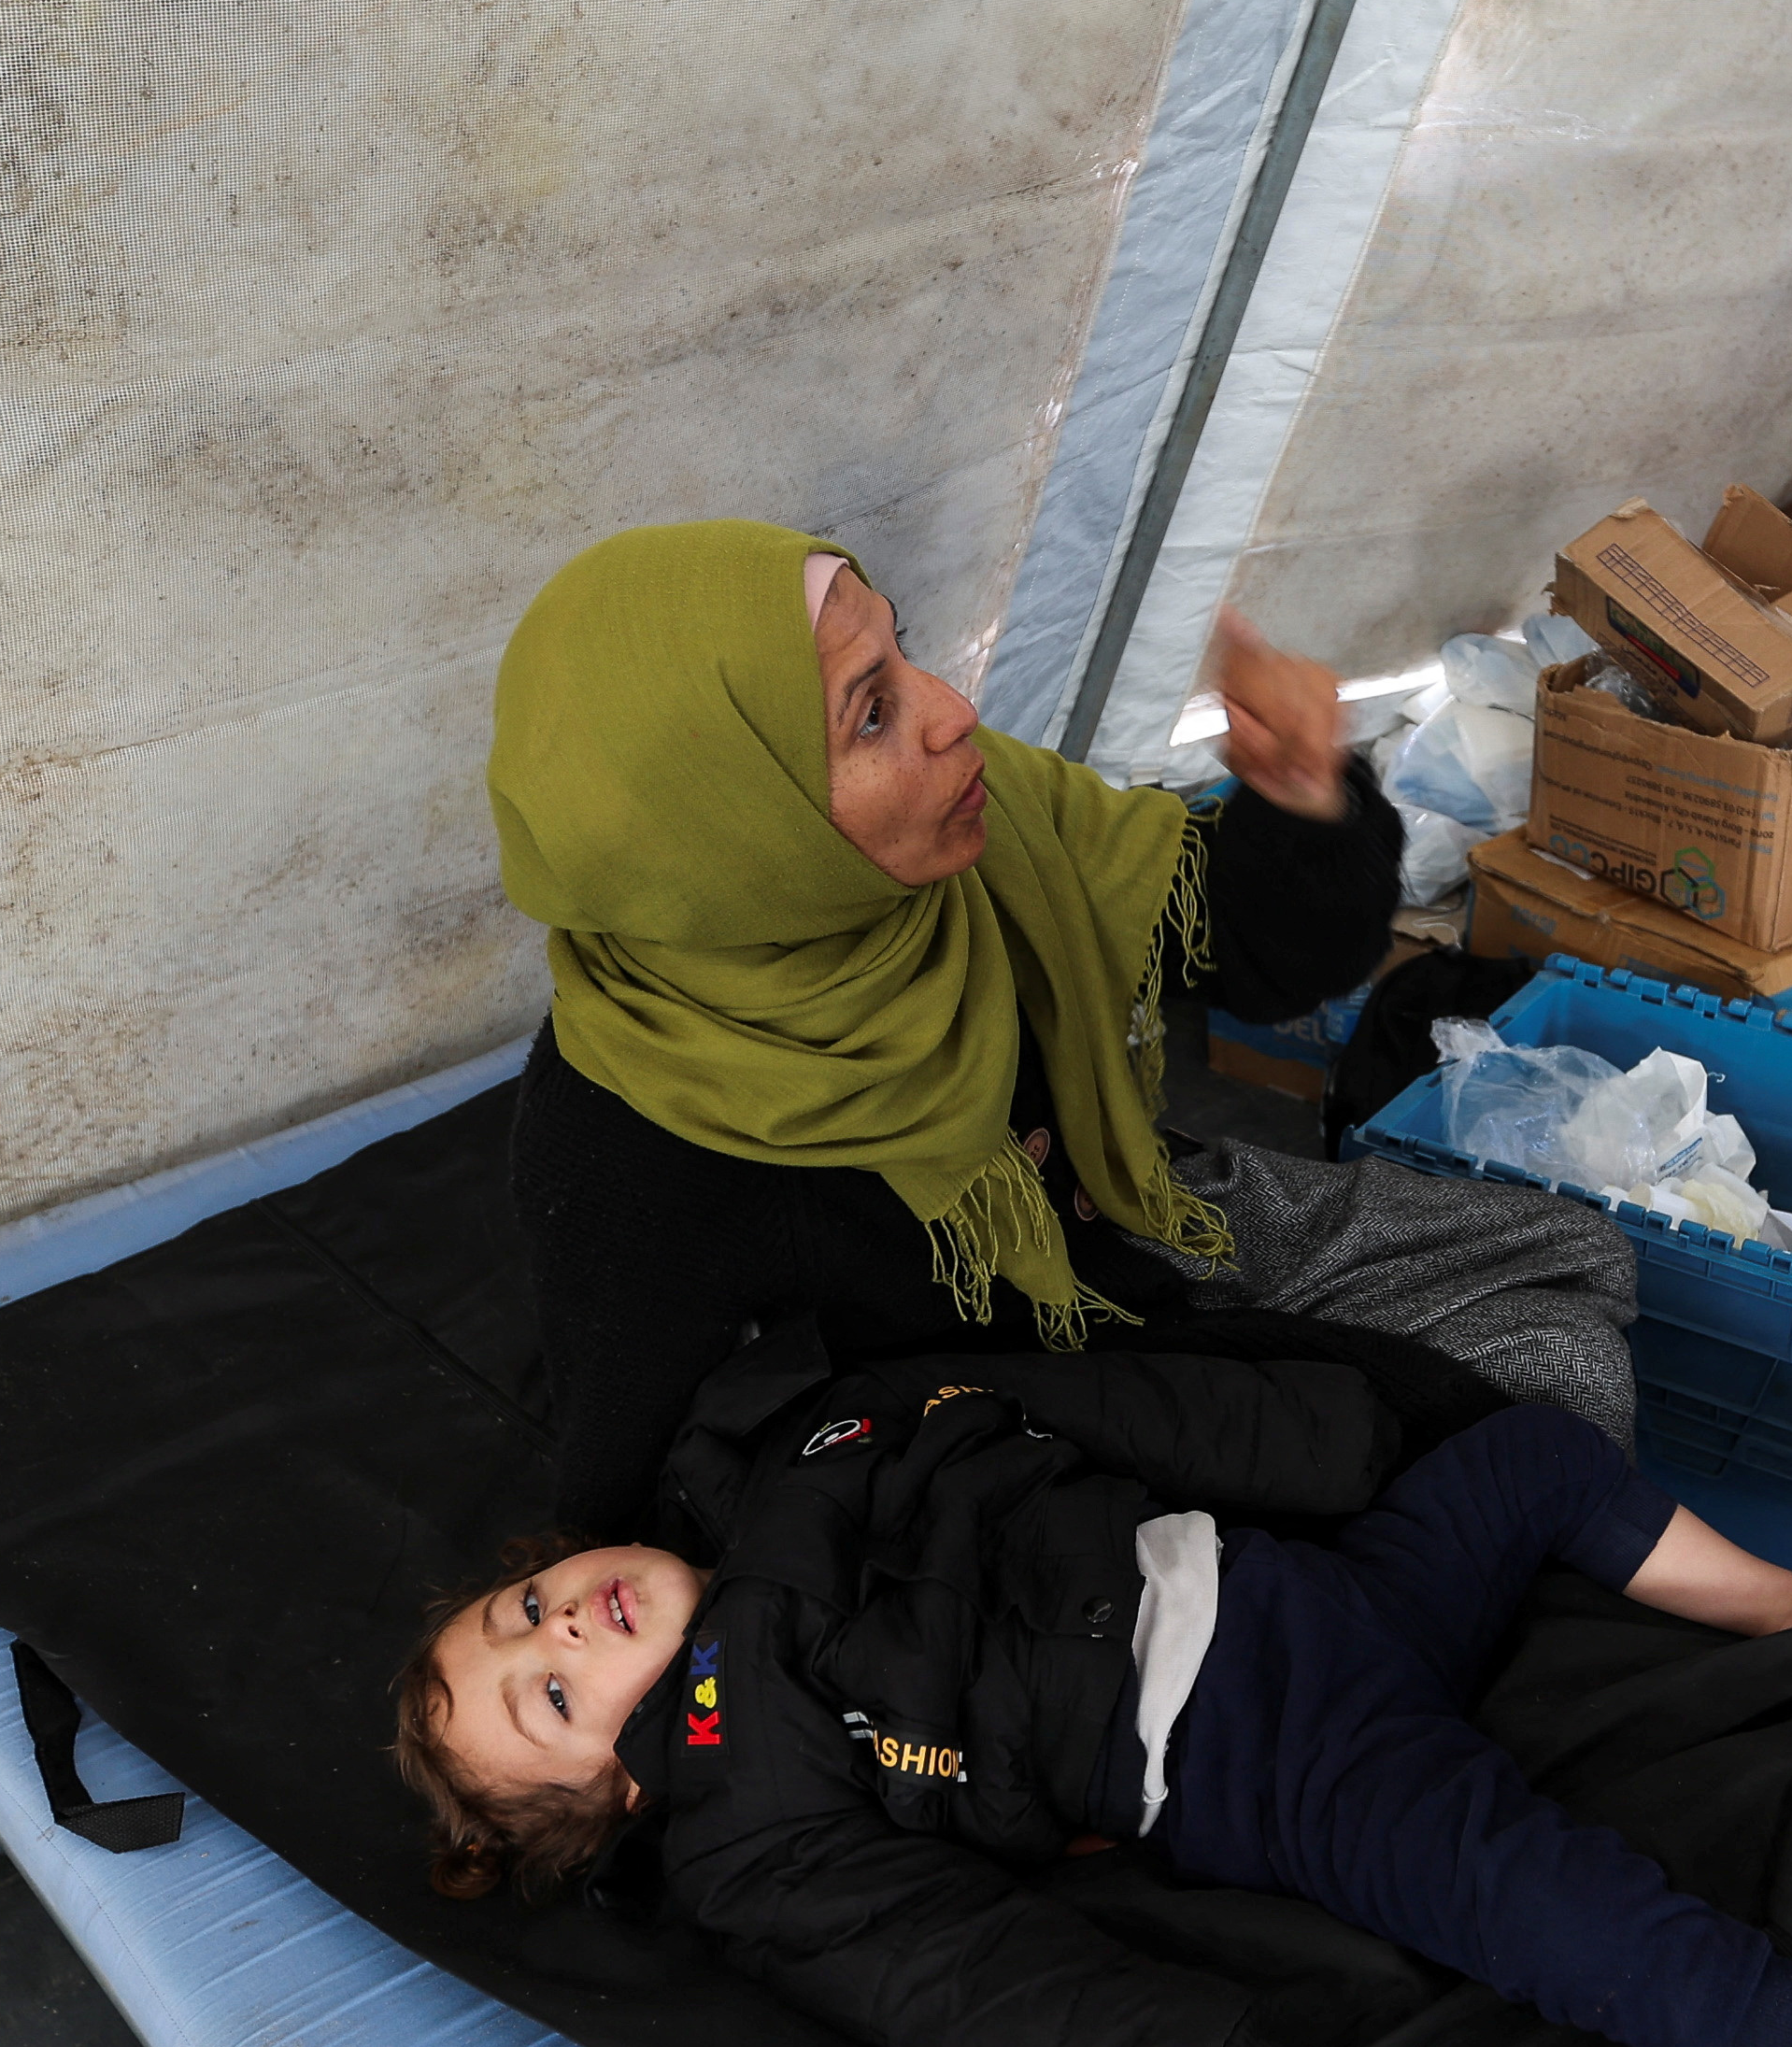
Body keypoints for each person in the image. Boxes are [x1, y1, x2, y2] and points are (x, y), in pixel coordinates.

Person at [389, 1356, 1792, 2047]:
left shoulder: (791, 1442)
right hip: (1254, 1742)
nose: (565, 1622)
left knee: (1529, 1458)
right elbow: (927, 1967)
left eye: (526, 1602)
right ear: (616, 1788)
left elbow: (1077, 1403)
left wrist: (1323, 1439)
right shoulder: (741, 1810)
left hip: (1305, 1587)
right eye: (548, 1691)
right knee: (1559, 1916)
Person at [488, 522, 1598, 1546]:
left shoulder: (990, 822)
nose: (951, 711)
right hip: (1013, 1411)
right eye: (870, 712)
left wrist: (1307, 796)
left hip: (1128, 1221)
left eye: (905, 653)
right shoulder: (629, 1147)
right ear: (736, 826)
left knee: (1576, 1264)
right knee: (1530, 1413)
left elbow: (1251, 952)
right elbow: (639, 1505)